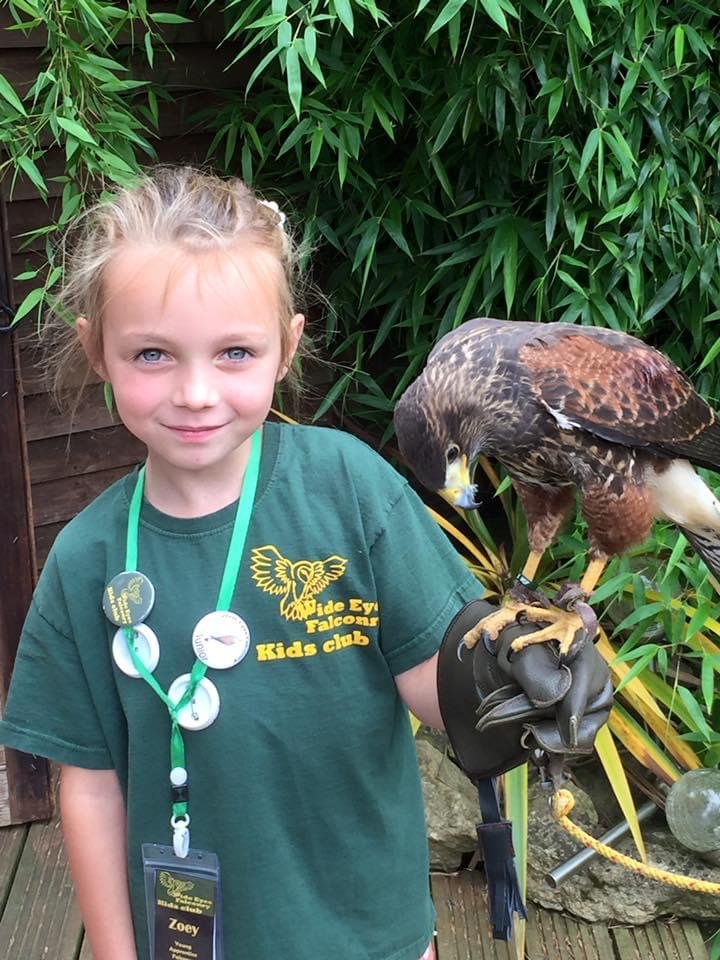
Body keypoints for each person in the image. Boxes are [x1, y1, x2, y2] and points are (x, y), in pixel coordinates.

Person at [0, 167, 607, 960]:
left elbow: (437, 684)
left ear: (285, 348)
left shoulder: (350, 488)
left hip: (372, 934)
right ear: (97, 351)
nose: (194, 391)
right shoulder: (86, 559)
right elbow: (86, 784)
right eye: (152, 353)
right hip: (196, 944)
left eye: (234, 353)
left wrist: (512, 690)